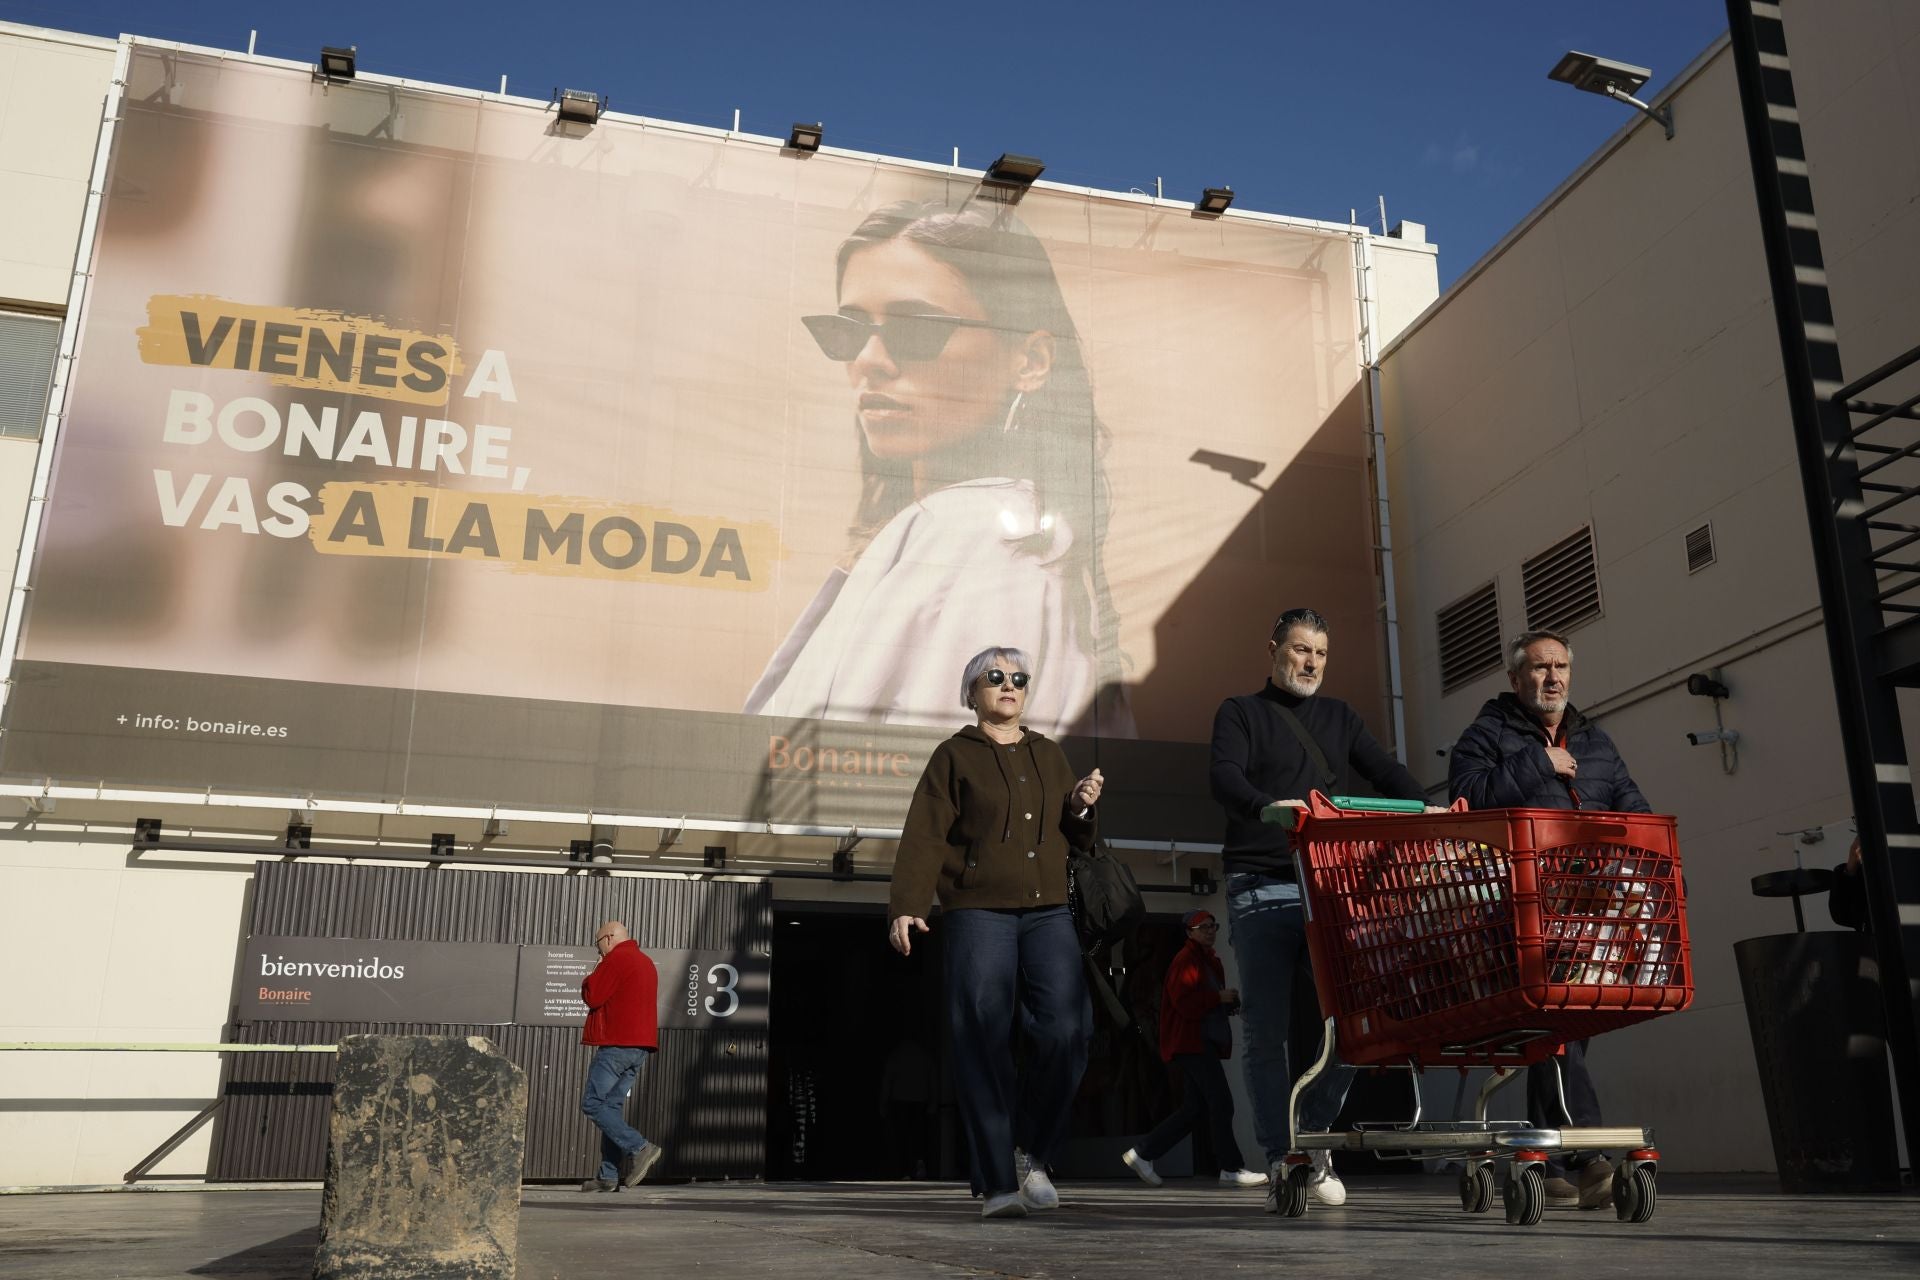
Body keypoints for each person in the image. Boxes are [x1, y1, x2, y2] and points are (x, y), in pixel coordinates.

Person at [745, 200, 1131, 737]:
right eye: (849, 330)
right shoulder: (985, 532)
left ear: (1031, 361)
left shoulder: (979, 536)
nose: (870, 360)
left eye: (914, 328)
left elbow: (952, 779)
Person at [1209, 606, 1425, 1210]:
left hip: (1331, 886)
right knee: (1265, 1030)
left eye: (1321, 654)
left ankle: (1315, 1142)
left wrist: (1433, 811)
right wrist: (1267, 809)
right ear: (1273, 648)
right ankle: (1281, 1155)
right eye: (1301, 649)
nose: (1312, 663)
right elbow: (1223, 777)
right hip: (1261, 882)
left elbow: (1387, 774)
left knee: (1356, 1021)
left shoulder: (1340, 717)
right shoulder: (1241, 712)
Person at [888, 645, 1105, 1219]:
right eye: (995, 677)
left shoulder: (1050, 754)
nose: (1009, 685)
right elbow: (925, 834)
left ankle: (1033, 1153)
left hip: (1048, 911)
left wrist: (1082, 807)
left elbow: (1075, 839)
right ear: (972, 692)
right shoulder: (953, 756)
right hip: (977, 912)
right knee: (982, 1038)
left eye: (1019, 679)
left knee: (1067, 1031)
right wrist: (909, 904)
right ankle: (996, 1181)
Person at [1447, 628, 1650, 1210]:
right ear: (1516, 680)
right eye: (1539, 668)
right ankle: (1584, 1157)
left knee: (1563, 1033)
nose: (1553, 677)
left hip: (1591, 911)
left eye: (1560, 666)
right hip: (1519, 909)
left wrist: (1656, 879)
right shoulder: (1486, 735)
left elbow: (1634, 809)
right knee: (1557, 1026)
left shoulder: (1597, 742)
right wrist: (1538, 763)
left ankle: (1554, 1163)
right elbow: (1466, 799)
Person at [1121, 909, 1268, 1189]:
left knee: (1194, 1108)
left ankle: (1142, 1153)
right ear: (1189, 932)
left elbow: (1200, 1003)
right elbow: (1185, 1004)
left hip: (1198, 1042)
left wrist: (1226, 1002)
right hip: (1192, 1043)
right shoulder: (1186, 960)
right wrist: (1217, 997)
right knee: (1221, 1102)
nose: (1210, 931)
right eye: (1203, 927)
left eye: (1213, 925)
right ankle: (1230, 1167)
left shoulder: (1208, 960)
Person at [578, 919, 665, 1192]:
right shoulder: (645, 961)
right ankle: (608, 1176)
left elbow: (593, 996)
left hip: (618, 1045)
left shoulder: (617, 959)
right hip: (640, 1047)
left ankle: (640, 1147)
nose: (599, 951)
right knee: (611, 1107)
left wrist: (594, 970)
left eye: (598, 944)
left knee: (592, 1103)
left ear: (609, 937)